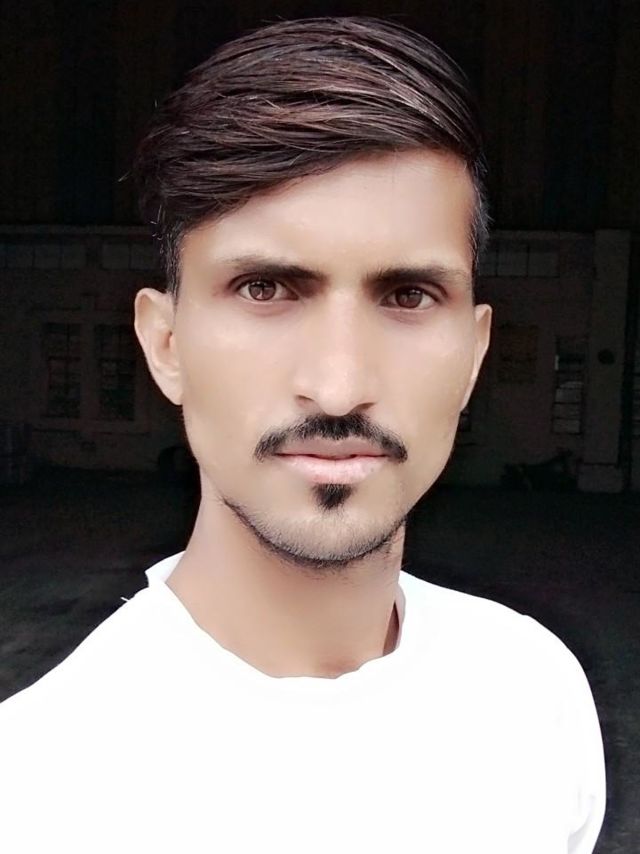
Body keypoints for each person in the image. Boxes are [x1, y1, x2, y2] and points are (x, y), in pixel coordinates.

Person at [0, 16, 605, 854]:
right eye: (266, 289)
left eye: (407, 296)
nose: (339, 384)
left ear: (473, 356)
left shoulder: (536, 695)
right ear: (165, 345)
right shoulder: (33, 789)